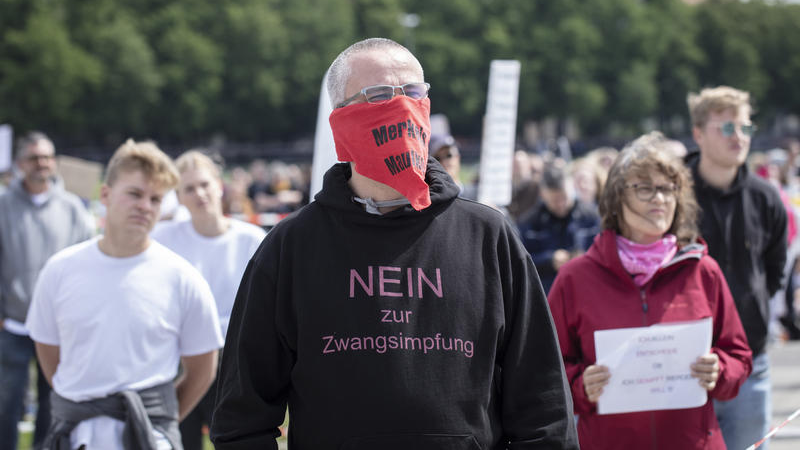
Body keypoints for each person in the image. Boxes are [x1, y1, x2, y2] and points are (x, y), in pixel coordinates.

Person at [211, 38, 579, 449]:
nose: (402, 106)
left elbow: (545, 408)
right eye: (380, 95)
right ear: (341, 121)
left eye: (413, 92)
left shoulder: (489, 237)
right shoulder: (291, 248)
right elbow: (241, 417)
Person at [548, 132, 752, 449]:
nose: (659, 198)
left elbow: (739, 357)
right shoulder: (575, 279)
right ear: (617, 197)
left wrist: (719, 370)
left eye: (668, 188)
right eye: (645, 188)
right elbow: (546, 372)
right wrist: (580, 385)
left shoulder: (703, 270)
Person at [25, 139, 223, 450]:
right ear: (105, 194)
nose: (145, 206)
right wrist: (87, 402)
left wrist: (156, 421)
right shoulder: (59, 271)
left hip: (150, 439)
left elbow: (202, 367)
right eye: (135, 194)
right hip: (76, 437)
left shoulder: (182, 278)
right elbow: (49, 356)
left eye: (156, 199)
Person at [686, 86, 788, 450]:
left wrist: (753, 307)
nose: (739, 137)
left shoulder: (766, 196)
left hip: (749, 362)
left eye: (745, 128)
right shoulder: (672, 194)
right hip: (684, 365)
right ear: (698, 133)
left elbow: (775, 270)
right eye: (727, 128)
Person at [152, 150, 265, 450]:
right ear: (178, 196)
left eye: (204, 184)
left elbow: (260, 309)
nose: (199, 194)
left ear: (219, 185)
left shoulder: (251, 239)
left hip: (234, 365)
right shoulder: (162, 238)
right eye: (188, 188)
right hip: (179, 363)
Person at [0, 131, 94, 450]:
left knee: (53, 407)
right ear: (19, 163)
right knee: (5, 405)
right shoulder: (2, 206)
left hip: (58, 328)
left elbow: (86, 264)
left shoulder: (73, 209)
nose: (41, 164)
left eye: (47, 157)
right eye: (34, 157)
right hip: (11, 325)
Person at [517, 162, 601, 293]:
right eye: (555, 200)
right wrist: (549, 260)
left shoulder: (592, 217)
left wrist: (586, 258)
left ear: (572, 188)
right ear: (543, 195)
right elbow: (518, 262)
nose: (561, 204)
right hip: (547, 296)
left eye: (564, 198)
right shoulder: (529, 224)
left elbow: (608, 253)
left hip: (588, 291)